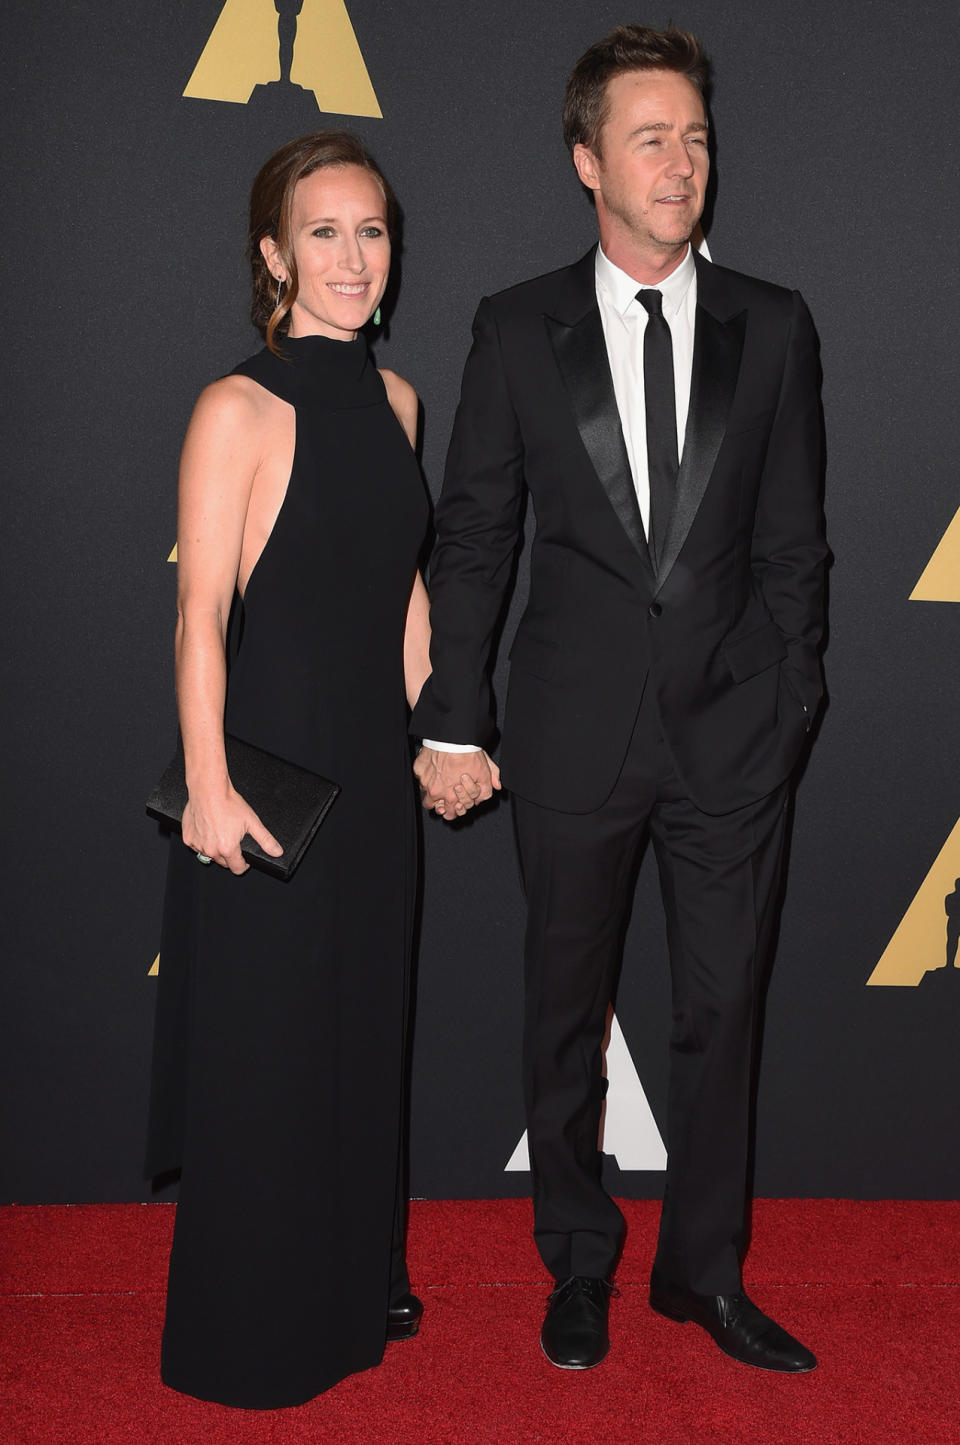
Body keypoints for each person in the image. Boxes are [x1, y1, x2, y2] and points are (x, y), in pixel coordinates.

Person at [412, 26, 826, 1374]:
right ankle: (578, 1262)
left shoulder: (774, 324)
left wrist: (789, 707)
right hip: (570, 731)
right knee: (562, 1011)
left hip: (730, 741)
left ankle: (701, 1274)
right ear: (587, 159)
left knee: (724, 1011)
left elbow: (793, 545)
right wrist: (456, 714)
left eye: (696, 136)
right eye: (650, 138)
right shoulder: (514, 327)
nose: (680, 161)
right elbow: (476, 534)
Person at [146, 130, 437, 1408]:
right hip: (268, 773)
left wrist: (449, 733)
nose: (351, 257)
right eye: (323, 231)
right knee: (270, 1055)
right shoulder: (236, 406)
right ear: (273, 253)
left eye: (370, 231)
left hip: (378, 782)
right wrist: (208, 786)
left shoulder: (401, 401)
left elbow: (405, 596)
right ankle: (252, 1329)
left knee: (363, 1036)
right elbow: (200, 608)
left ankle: (349, 1286)